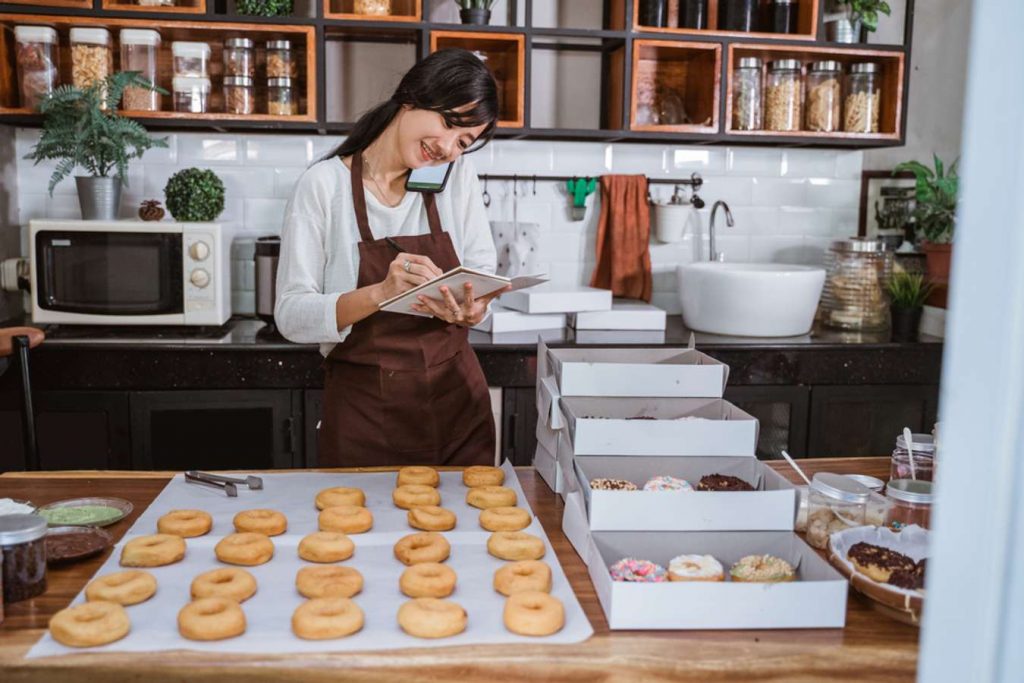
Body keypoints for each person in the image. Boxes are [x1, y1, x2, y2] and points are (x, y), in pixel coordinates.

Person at [275, 49, 506, 467]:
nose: (449, 149)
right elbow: (291, 315)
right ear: (412, 97)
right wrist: (381, 292)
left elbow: (483, 274)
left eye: (464, 142)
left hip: (458, 410)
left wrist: (474, 308)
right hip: (365, 418)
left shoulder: (455, 178)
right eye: (450, 125)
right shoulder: (324, 186)